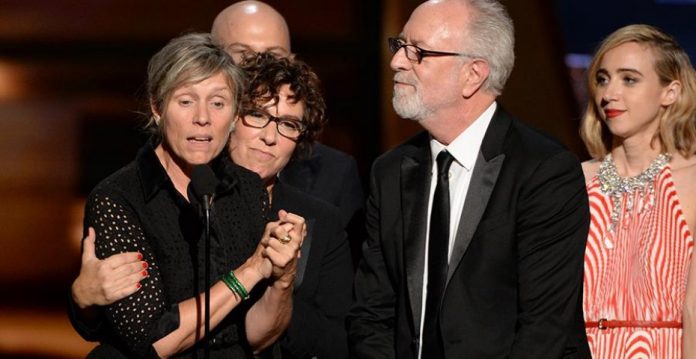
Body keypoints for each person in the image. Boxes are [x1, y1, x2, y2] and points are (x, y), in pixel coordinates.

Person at [347, 0, 591, 358]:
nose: (397, 61)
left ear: (473, 74)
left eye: (418, 52)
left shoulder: (544, 170)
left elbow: (543, 330)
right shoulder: (390, 171)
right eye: (399, 46)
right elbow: (371, 314)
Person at [78, 33, 305, 358]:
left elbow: (256, 336)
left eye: (218, 103)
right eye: (186, 101)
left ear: (233, 116)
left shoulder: (248, 188)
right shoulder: (118, 199)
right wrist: (250, 272)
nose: (203, 118)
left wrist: (282, 279)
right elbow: (154, 340)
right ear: (157, 107)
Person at [211, 1, 365, 261]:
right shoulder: (185, 161)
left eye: (274, 56)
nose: (260, 68)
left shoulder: (335, 174)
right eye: (243, 54)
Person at [579, 24, 696, 358]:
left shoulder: (691, 182)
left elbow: (694, 310)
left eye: (629, 79)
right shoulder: (574, 182)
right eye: (603, 79)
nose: (609, 94)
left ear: (669, 92)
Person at [230, 52, 352, 359]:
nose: (269, 137)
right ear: (230, 118)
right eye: (257, 115)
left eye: (287, 124)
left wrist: (283, 282)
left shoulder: (322, 221)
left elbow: (334, 339)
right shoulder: (189, 203)